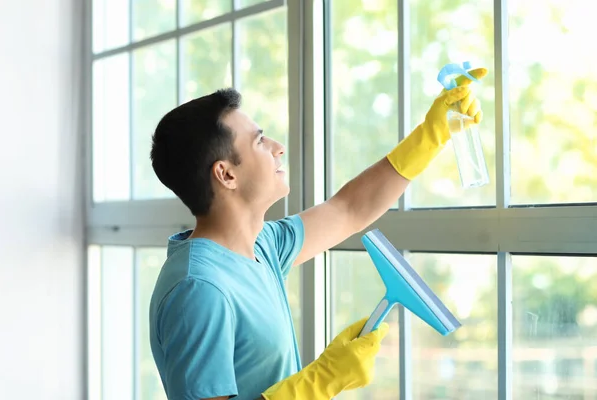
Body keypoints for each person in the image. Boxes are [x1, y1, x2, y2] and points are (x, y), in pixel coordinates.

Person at [148, 68, 487, 400]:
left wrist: (432, 134)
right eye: (260, 141)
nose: (278, 147)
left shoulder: (261, 246)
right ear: (226, 174)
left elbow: (349, 209)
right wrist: (322, 381)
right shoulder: (199, 289)